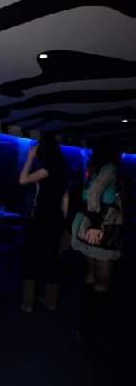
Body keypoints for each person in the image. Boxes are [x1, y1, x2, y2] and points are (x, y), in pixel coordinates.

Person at [71, 142, 123, 342]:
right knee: (103, 280)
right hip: (101, 228)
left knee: (92, 274)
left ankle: (85, 324)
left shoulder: (96, 168)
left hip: (87, 224)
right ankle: (91, 326)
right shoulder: (110, 168)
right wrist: (95, 222)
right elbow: (94, 192)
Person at [19, 136, 69, 313]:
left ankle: (28, 304)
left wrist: (29, 158)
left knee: (31, 259)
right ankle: (51, 302)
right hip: (56, 219)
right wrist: (63, 222)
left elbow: (22, 180)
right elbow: (65, 198)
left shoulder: (46, 170)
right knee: (53, 260)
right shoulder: (62, 170)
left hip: (41, 218)